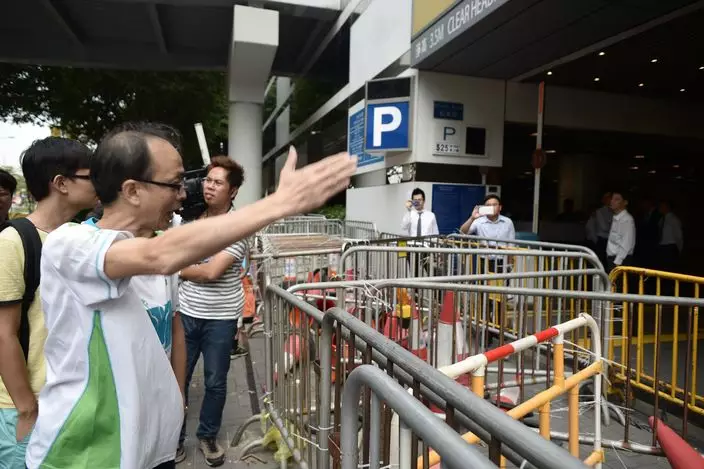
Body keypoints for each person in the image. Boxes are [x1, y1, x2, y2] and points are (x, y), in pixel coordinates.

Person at [25, 123, 355, 469]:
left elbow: (173, 322)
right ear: (133, 190)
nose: (183, 194)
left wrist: (176, 396)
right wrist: (280, 204)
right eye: (174, 183)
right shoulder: (70, 245)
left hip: (151, 450)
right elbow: (159, 256)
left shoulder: (163, 252)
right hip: (87, 454)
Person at [0, 138, 96, 468]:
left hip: (70, 399)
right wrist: (27, 409)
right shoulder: (13, 241)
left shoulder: (79, 236)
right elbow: (3, 333)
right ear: (61, 183)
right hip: (26, 407)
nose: (99, 182)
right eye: (90, 175)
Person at [176, 156, 249, 465]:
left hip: (220, 318)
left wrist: (175, 267)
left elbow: (210, 272)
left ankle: (207, 435)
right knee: (178, 378)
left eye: (218, 183)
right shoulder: (190, 219)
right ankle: (175, 438)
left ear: (232, 191)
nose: (209, 187)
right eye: (208, 180)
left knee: (215, 382)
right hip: (185, 312)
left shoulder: (237, 227)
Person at [605, 190, 636, 272]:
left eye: (617, 199)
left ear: (625, 202)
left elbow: (627, 243)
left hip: (620, 261)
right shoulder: (616, 217)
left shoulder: (626, 219)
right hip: (613, 259)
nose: (612, 201)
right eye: (612, 199)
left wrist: (617, 262)